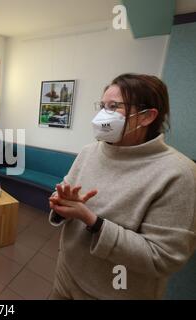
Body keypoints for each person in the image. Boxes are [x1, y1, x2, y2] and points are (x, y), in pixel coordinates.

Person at [48, 73, 196, 300]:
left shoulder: (178, 173)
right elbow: (65, 194)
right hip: (66, 278)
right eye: (102, 105)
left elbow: (164, 257)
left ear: (146, 116)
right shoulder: (89, 152)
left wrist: (93, 221)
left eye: (114, 106)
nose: (101, 115)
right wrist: (60, 205)